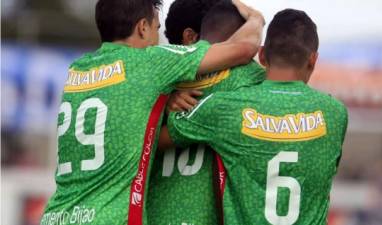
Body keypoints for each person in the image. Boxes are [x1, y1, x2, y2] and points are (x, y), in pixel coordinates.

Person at [40, 0, 265, 224]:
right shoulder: (150, 62)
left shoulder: (77, 68)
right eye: (156, 29)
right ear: (142, 27)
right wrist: (256, 18)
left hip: (56, 215)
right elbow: (243, 48)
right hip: (108, 218)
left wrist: (164, 97)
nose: (157, 39)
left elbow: (123, 108)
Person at [160, 9, 348, 225]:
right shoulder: (335, 113)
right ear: (313, 60)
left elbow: (152, 139)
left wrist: (167, 102)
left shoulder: (227, 107)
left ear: (262, 55)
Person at [147, 2, 265, 225]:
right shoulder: (249, 79)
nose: (234, 53)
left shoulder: (148, 75)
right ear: (192, 38)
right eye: (231, 42)